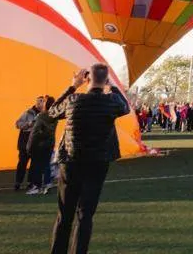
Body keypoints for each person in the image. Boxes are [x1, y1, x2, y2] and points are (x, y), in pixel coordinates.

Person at [48, 64, 130, 254]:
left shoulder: (73, 100)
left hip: (71, 161)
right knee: (85, 215)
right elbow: (125, 107)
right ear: (105, 80)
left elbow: (52, 112)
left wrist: (73, 85)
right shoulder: (111, 102)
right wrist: (112, 86)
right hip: (97, 163)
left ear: (87, 79)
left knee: (65, 215)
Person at [27, 95, 60, 194]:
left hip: (40, 144)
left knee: (37, 165)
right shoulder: (55, 115)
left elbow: (36, 131)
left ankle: (36, 187)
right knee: (46, 164)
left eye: (43, 101)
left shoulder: (41, 116)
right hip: (50, 142)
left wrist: (30, 144)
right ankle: (47, 183)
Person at [14, 96, 44, 191]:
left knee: (34, 164)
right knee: (22, 163)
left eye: (43, 102)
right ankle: (18, 182)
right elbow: (17, 124)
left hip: (36, 142)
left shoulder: (44, 115)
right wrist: (28, 125)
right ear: (36, 103)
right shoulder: (28, 113)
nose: (41, 104)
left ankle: (30, 183)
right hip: (24, 142)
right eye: (39, 102)